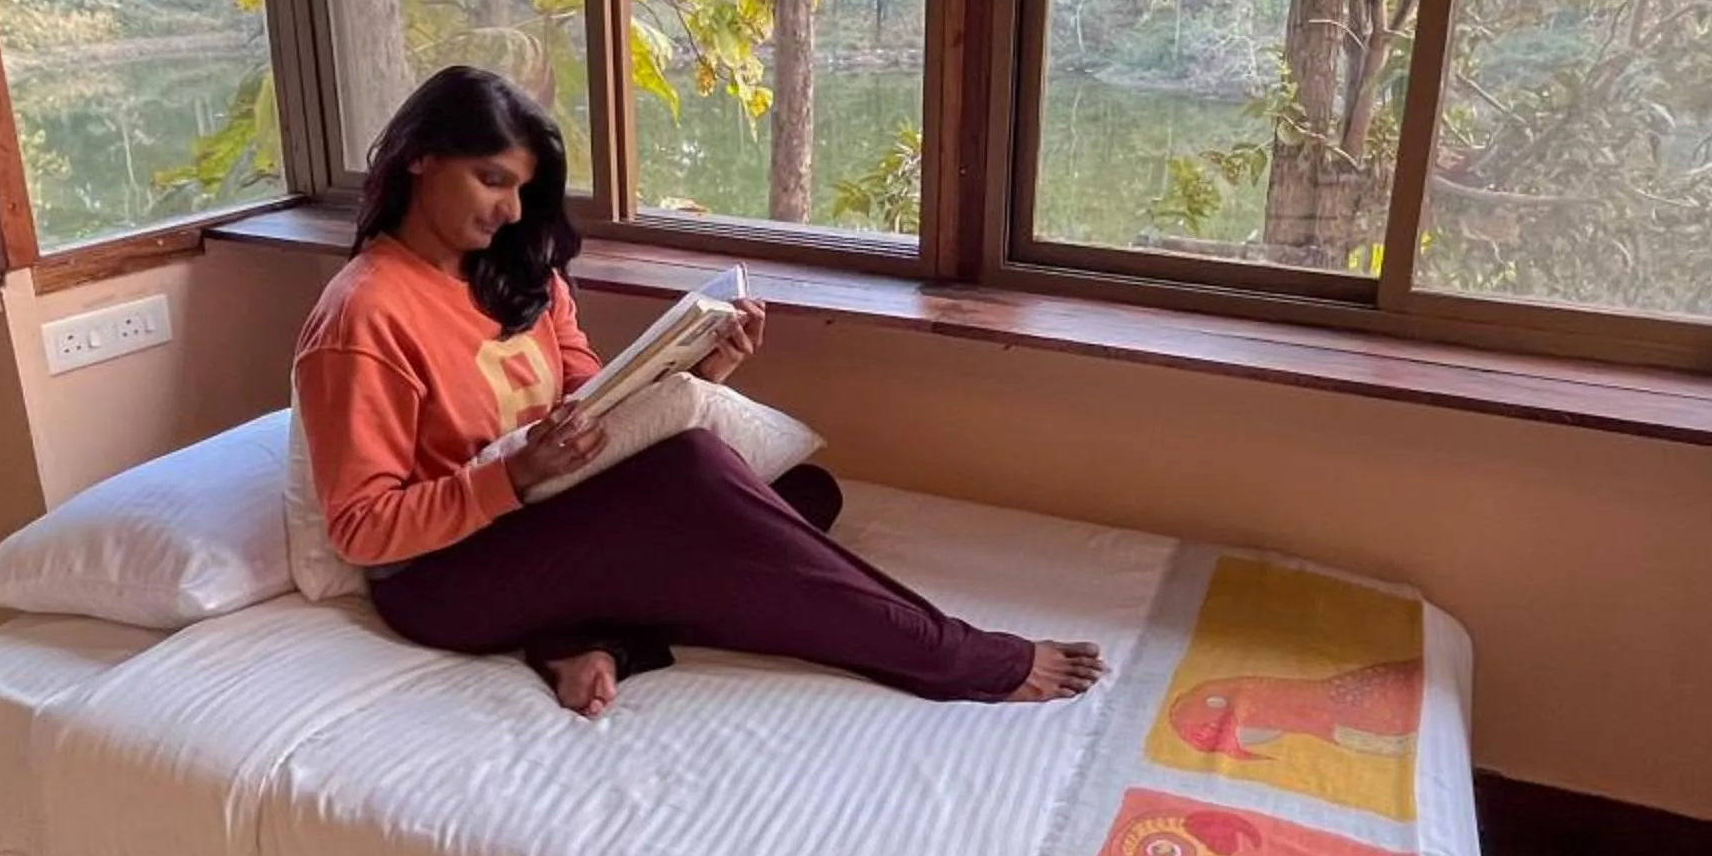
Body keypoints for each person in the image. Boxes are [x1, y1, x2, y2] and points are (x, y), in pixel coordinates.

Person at [293, 66, 1107, 719]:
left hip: (546, 518)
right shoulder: (362, 314)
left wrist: (699, 374)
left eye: (521, 192)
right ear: (419, 158)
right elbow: (365, 531)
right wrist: (513, 476)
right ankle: (954, 654)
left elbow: (589, 396)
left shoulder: (518, 273)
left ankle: (590, 635)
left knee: (800, 493)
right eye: (491, 181)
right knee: (696, 482)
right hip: (447, 579)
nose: (509, 212)